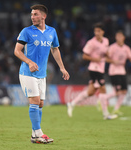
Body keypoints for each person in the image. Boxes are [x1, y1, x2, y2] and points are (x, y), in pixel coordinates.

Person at [14, 4, 70, 144]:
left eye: (36, 14)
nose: (33, 17)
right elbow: (17, 51)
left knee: (40, 104)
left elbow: (55, 50)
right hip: (27, 73)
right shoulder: (26, 31)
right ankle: (39, 133)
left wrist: (62, 68)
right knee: (34, 101)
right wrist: (29, 62)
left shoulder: (52, 31)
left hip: (41, 74)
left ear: (44, 16)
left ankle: (34, 136)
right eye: (32, 14)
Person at [67, 23, 117, 120]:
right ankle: (106, 114)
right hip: (94, 69)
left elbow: (105, 53)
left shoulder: (106, 41)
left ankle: (72, 103)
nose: (97, 33)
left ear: (103, 32)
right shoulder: (91, 42)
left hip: (101, 68)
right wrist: (96, 59)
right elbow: (84, 56)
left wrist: (107, 54)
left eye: (99, 31)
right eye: (95, 31)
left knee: (90, 92)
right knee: (103, 89)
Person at [106, 30, 131, 115]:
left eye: (120, 36)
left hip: (122, 71)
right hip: (114, 71)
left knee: (124, 91)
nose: (118, 38)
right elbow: (106, 58)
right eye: (117, 36)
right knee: (117, 91)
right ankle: (103, 99)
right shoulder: (112, 47)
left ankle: (116, 109)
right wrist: (113, 61)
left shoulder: (127, 48)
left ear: (123, 38)